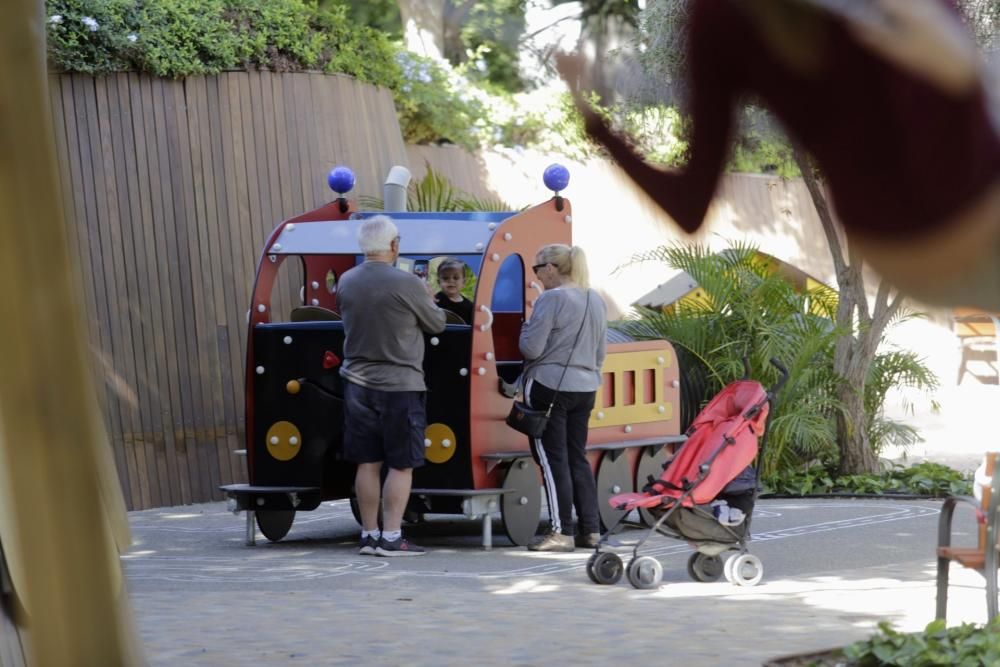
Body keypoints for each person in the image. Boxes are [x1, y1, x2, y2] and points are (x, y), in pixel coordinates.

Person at [559, 0, 1000, 311]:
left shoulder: (715, 16)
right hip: (972, 222)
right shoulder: (722, 18)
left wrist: (595, 123)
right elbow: (956, 84)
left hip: (903, 251)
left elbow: (688, 209)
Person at [337, 215, 447, 556]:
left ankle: (368, 535)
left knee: (366, 462)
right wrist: (428, 297)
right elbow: (438, 324)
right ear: (394, 245)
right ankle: (391, 536)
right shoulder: (407, 284)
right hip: (400, 384)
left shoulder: (346, 281)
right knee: (401, 463)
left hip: (356, 383)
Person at [519, 244, 607, 551]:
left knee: (552, 459)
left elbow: (531, 349)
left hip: (550, 385)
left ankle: (562, 532)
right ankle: (591, 530)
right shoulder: (594, 299)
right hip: (586, 387)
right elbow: (600, 354)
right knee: (577, 457)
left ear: (552, 268)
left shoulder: (551, 299)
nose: (538, 276)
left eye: (538, 269)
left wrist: (525, 327)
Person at [433, 258, 474, 324]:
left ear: (463, 282)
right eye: (445, 278)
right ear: (439, 282)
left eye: (456, 278)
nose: (451, 281)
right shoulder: (435, 301)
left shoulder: (469, 306)